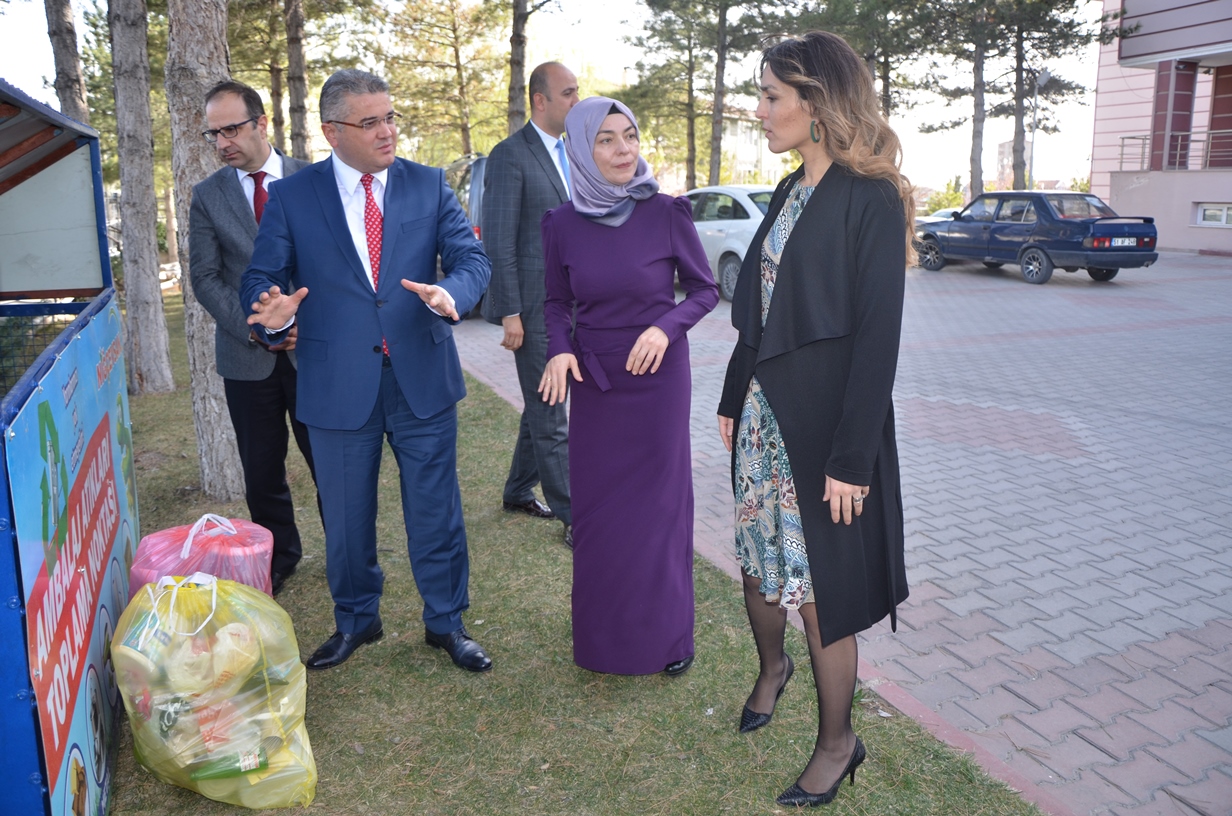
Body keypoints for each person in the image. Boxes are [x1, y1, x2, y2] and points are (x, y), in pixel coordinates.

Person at [716, 31, 914, 807]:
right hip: (766, 419)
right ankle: (772, 671)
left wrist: (852, 461)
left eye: (771, 96)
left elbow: (878, 341)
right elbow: (757, 319)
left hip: (830, 433)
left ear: (815, 103)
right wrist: (734, 398)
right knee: (761, 568)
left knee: (822, 593)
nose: (760, 111)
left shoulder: (869, 199)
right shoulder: (790, 190)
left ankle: (838, 745)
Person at [240, 69, 494, 673]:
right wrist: (269, 312)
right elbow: (260, 277)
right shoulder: (295, 196)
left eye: (390, 117)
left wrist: (451, 292)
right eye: (370, 121)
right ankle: (357, 620)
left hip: (422, 378)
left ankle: (446, 623)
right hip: (334, 385)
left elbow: (470, 258)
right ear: (333, 131)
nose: (387, 131)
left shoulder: (428, 185)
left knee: (436, 511)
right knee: (348, 520)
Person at [540, 97, 718, 676]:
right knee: (601, 515)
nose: (623, 150)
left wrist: (665, 329)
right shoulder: (561, 223)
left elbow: (703, 290)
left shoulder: (668, 212)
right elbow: (555, 302)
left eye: (630, 136)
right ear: (580, 150)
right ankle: (603, 644)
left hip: (659, 383)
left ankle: (668, 640)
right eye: (607, 140)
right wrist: (561, 351)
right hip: (597, 384)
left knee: (660, 512)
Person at [189, 80, 320, 597]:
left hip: (314, 352)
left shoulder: (314, 181)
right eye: (213, 133)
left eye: (232, 129)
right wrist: (256, 326)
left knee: (330, 462)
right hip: (247, 359)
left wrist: (298, 326)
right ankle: (282, 557)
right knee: (262, 471)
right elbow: (204, 277)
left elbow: (335, 268)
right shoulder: (208, 196)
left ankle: (350, 555)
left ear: (261, 123)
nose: (222, 142)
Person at [481, 62, 580, 546]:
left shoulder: (574, 152)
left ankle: (519, 488)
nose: (575, 102)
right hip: (535, 310)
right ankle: (573, 516)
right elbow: (498, 242)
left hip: (574, 303)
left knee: (544, 400)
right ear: (540, 100)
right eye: (568, 93)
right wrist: (511, 313)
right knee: (551, 411)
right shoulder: (509, 156)